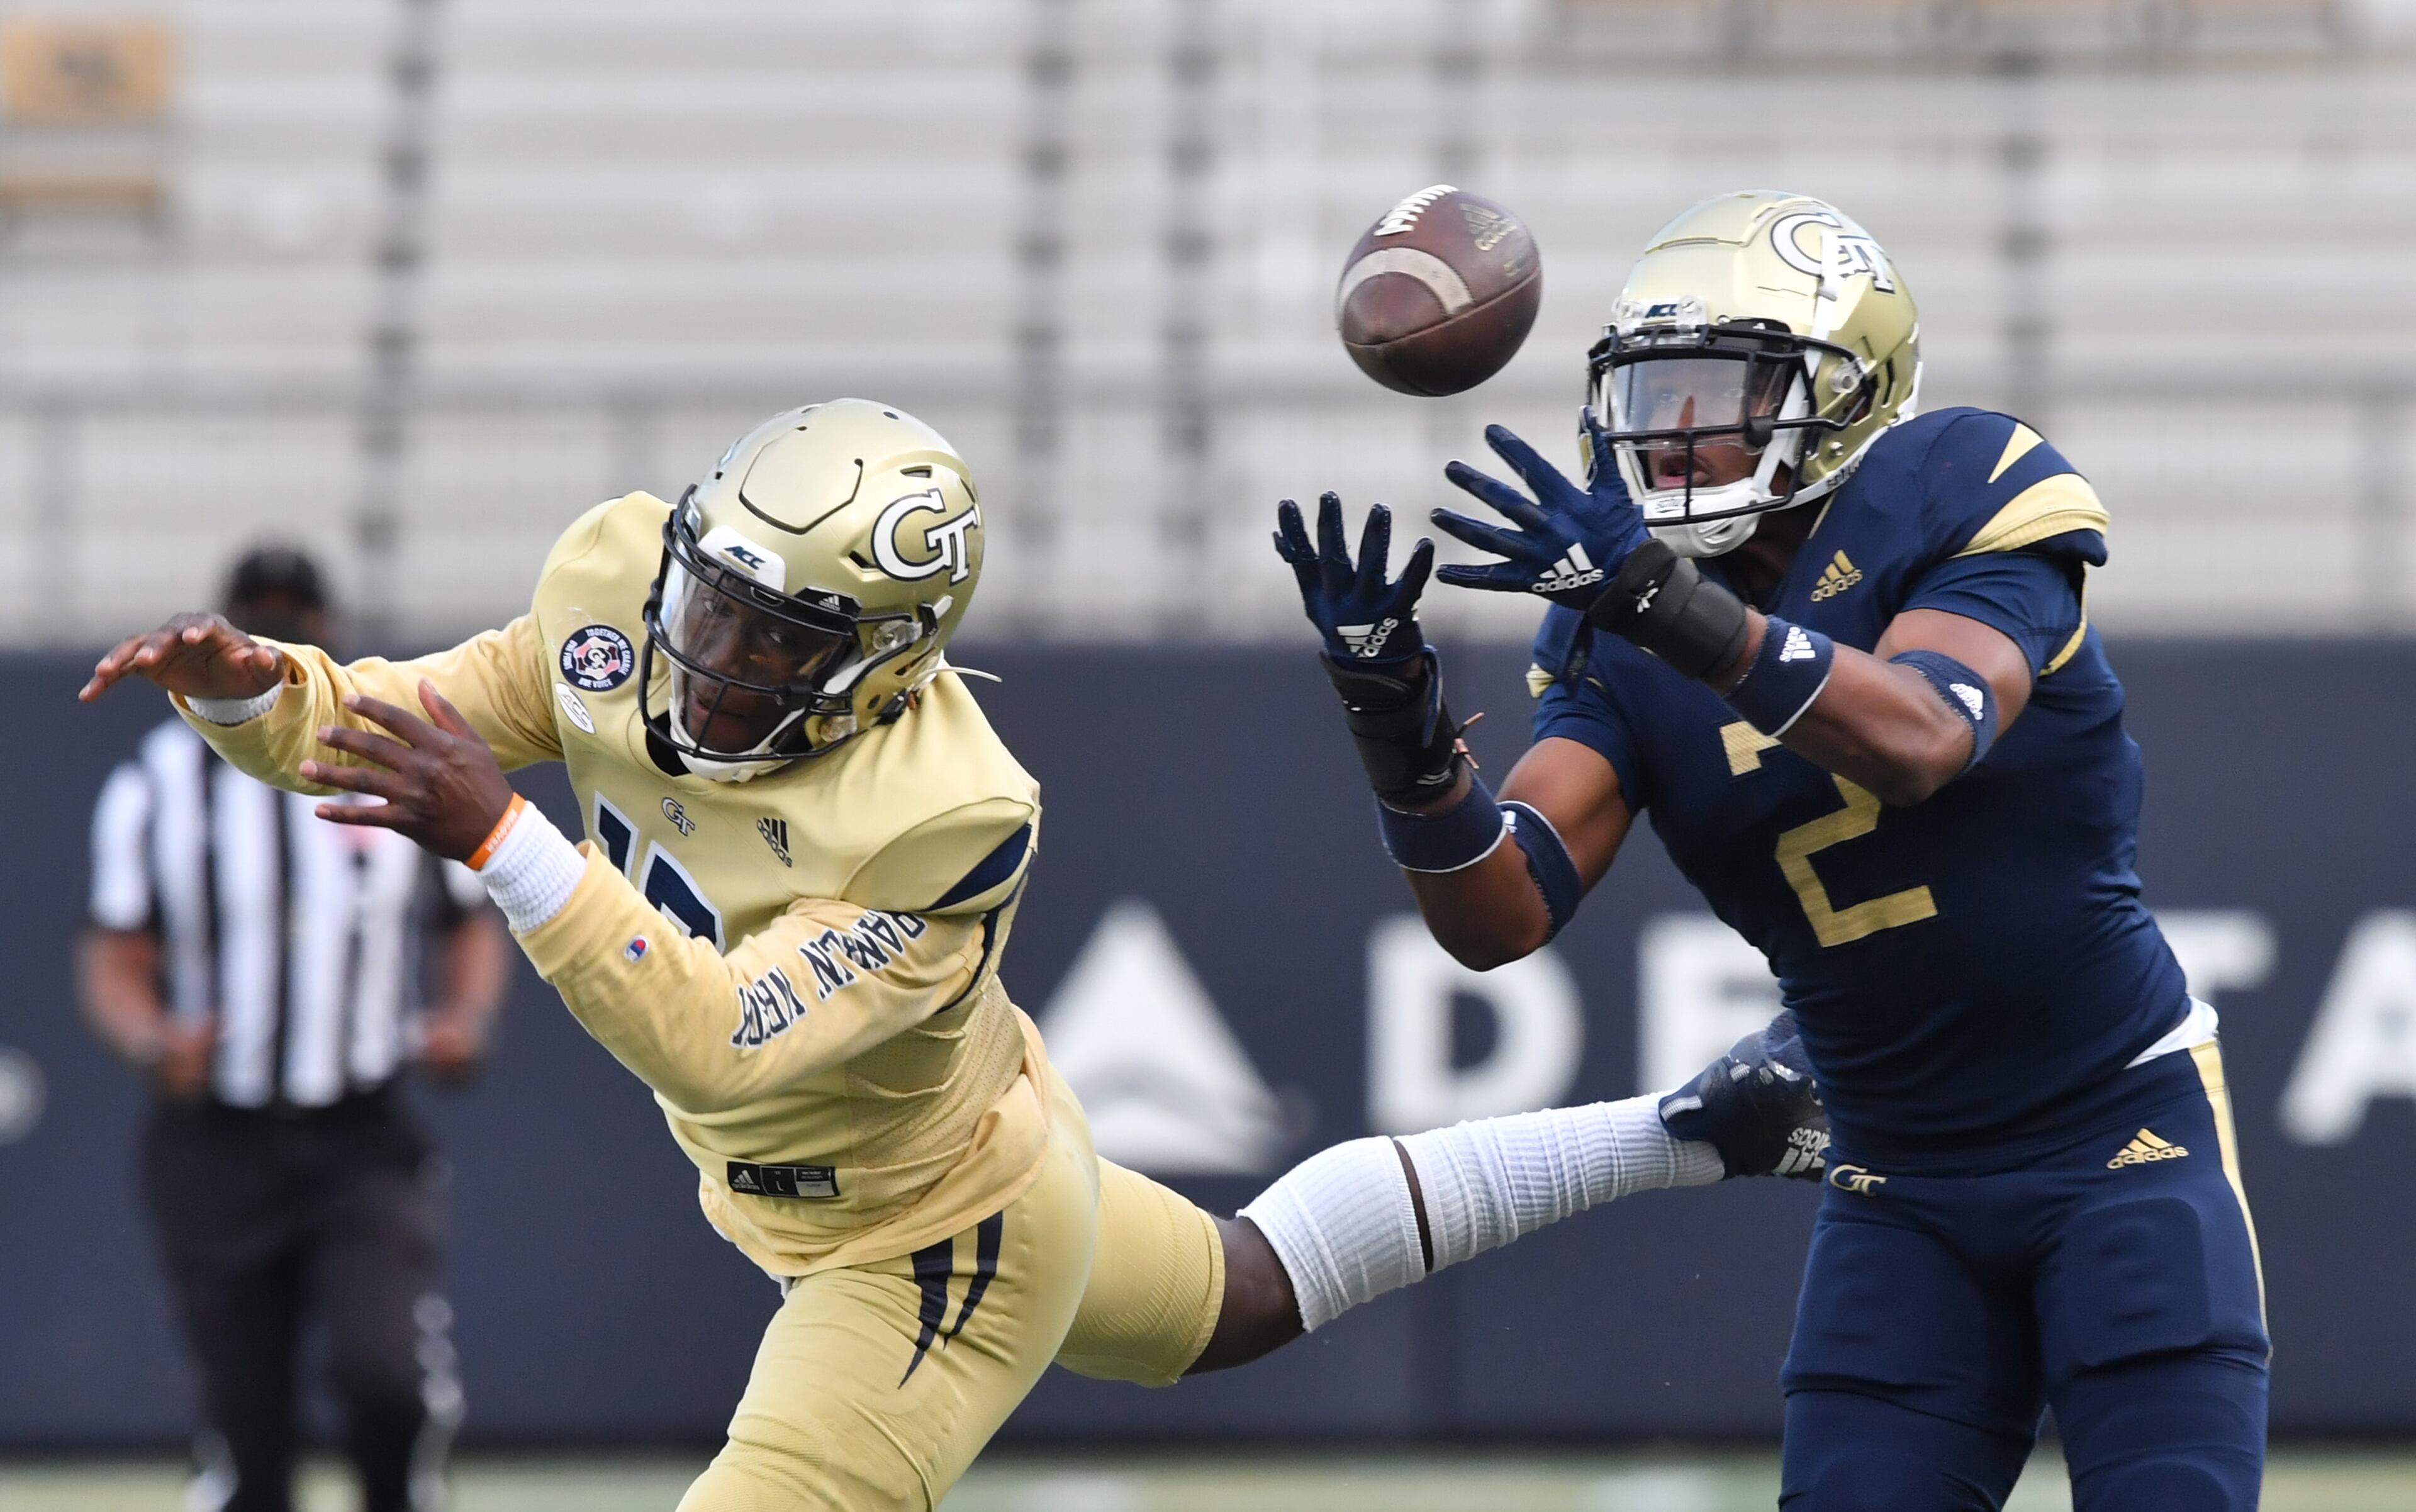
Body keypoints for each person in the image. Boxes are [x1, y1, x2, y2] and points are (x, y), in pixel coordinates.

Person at [80, 399, 1824, 1508]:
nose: (707, 651)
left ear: (882, 665)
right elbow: (396, 725)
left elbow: (719, 1043)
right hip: (952, 1151)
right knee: (1239, 1293)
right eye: (709, 595)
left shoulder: (946, 809)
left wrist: (498, 834)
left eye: (772, 635)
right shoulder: (618, 592)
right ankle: (1686, 1128)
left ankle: (1688, 1129)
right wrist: (261, 695)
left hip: (928, 1231)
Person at [1256, 191, 2268, 1509]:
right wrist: (1397, 728)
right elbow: (1500, 910)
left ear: (1849, 390)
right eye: (1655, 396)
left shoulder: (1965, 485)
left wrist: (1669, 607)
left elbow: (1920, 736)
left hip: (2118, 1130)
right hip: (1895, 1173)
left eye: (1723, 393)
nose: (1677, 434)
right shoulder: (1617, 623)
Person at [79, 546, 510, 1512]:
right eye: (261, 617)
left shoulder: (379, 756)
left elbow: (470, 918)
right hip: (218, 1142)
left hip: (360, 1130)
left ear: (329, 632)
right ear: (227, 638)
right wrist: (152, 1039)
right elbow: (114, 957)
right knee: (249, 1428)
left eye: (298, 618)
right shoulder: (155, 787)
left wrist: (466, 1017)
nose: (284, 633)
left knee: (385, 1379)